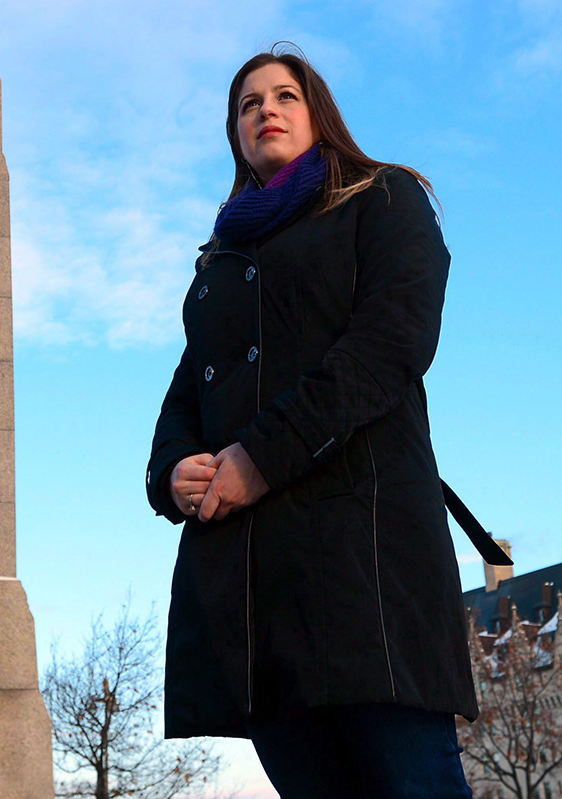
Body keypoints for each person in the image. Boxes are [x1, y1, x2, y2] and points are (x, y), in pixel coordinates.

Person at [146, 47, 476, 798]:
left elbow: (391, 345)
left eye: (285, 95)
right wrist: (172, 470)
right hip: (254, 592)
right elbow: (184, 394)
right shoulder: (219, 261)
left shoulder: (383, 196)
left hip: (366, 568)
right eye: (247, 103)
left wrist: (260, 457)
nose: (266, 109)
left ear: (317, 113)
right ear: (234, 134)